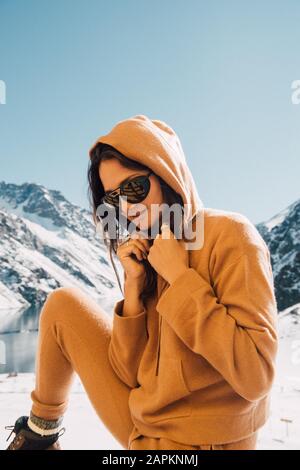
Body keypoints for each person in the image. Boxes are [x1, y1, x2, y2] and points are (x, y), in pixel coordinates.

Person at [5, 114, 278, 450]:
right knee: (63, 305)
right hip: (146, 424)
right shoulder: (149, 249)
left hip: (205, 443)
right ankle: (39, 437)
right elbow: (130, 374)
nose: (127, 207)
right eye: (113, 199)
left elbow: (256, 376)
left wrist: (180, 278)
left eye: (134, 188)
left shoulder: (231, 236)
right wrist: (134, 292)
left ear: (166, 175)